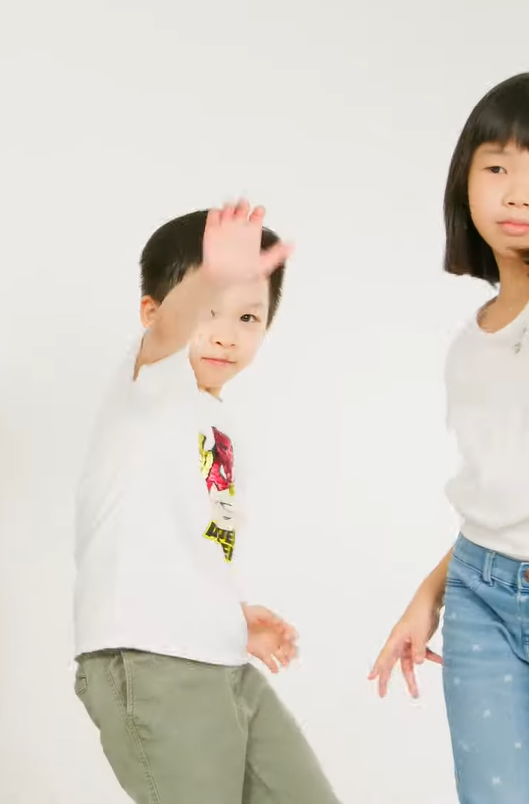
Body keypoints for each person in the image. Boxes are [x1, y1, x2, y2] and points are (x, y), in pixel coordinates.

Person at [72, 201, 341, 803]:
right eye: (208, 309)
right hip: (151, 661)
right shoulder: (150, 386)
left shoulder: (216, 421)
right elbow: (170, 332)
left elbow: (176, 542)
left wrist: (228, 615)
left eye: (248, 316)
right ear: (153, 313)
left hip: (220, 661)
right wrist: (212, 272)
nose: (226, 333)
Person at [369, 72, 529, 804]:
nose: (517, 194)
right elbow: (498, 500)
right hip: (479, 597)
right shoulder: (468, 345)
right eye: (497, 168)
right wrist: (427, 596)